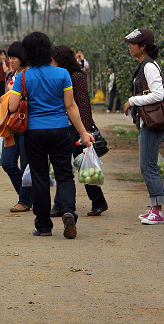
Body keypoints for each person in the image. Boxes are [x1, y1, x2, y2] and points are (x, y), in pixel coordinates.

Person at [8, 32, 94, 239]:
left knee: (39, 177)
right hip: (60, 130)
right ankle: (67, 210)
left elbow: (12, 106)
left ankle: (43, 225)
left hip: (34, 133)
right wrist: (83, 132)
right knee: (64, 174)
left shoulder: (23, 76)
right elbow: (70, 105)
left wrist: (18, 94)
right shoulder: (62, 73)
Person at [51, 45, 108, 217]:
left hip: (76, 128)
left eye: (53, 60)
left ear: (60, 61)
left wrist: (85, 130)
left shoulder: (76, 76)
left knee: (84, 165)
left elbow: (83, 104)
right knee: (62, 167)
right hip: (63, 126)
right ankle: (60, 204)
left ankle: (98, 201)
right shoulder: (60, 77)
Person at [123, 28, 164, 225]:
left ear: (144, 47)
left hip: (152, 124)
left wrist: (133, 100)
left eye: (133, 43)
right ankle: (154, 207)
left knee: (148, 167)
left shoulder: (148, 66)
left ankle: (157, 211)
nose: (130, 47)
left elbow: (158, 94)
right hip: (147, 122)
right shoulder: (145, 65)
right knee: (148, 166)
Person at [1, 41, 32, 213]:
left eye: (14, 57)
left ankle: (25, 200)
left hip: (26, 125)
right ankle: (26, 196)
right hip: (11, 126)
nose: (10, 61)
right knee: (8, 163)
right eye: (9, 57)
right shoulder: (10, 75)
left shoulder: (29, 75)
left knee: (27, 164)